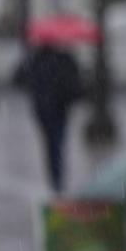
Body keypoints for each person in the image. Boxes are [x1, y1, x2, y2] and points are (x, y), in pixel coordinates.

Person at [15, 42, 84, 193]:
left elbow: (19, 80)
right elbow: (76, 84)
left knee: (50, 143)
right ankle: (57, 176)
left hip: (44, 110)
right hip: (59, 109)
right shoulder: (64, 59)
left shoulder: (36, 60)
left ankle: (55, 176)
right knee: (57, 142)